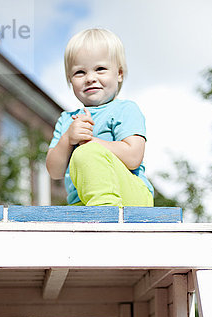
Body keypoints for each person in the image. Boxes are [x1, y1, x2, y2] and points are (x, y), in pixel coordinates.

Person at [46, 27, 154, 208]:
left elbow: (133, 156)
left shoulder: (125, 109)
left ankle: (104, 214)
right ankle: (100, 210)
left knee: (86, 153)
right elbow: (54, 171)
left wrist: (92, 143)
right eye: (80, 72)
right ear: (69, 79)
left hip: (131, 197)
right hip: (83, 202)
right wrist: (67, 139)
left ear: (119, 73)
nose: (90, 78)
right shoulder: (67, 120)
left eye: (100, 69)